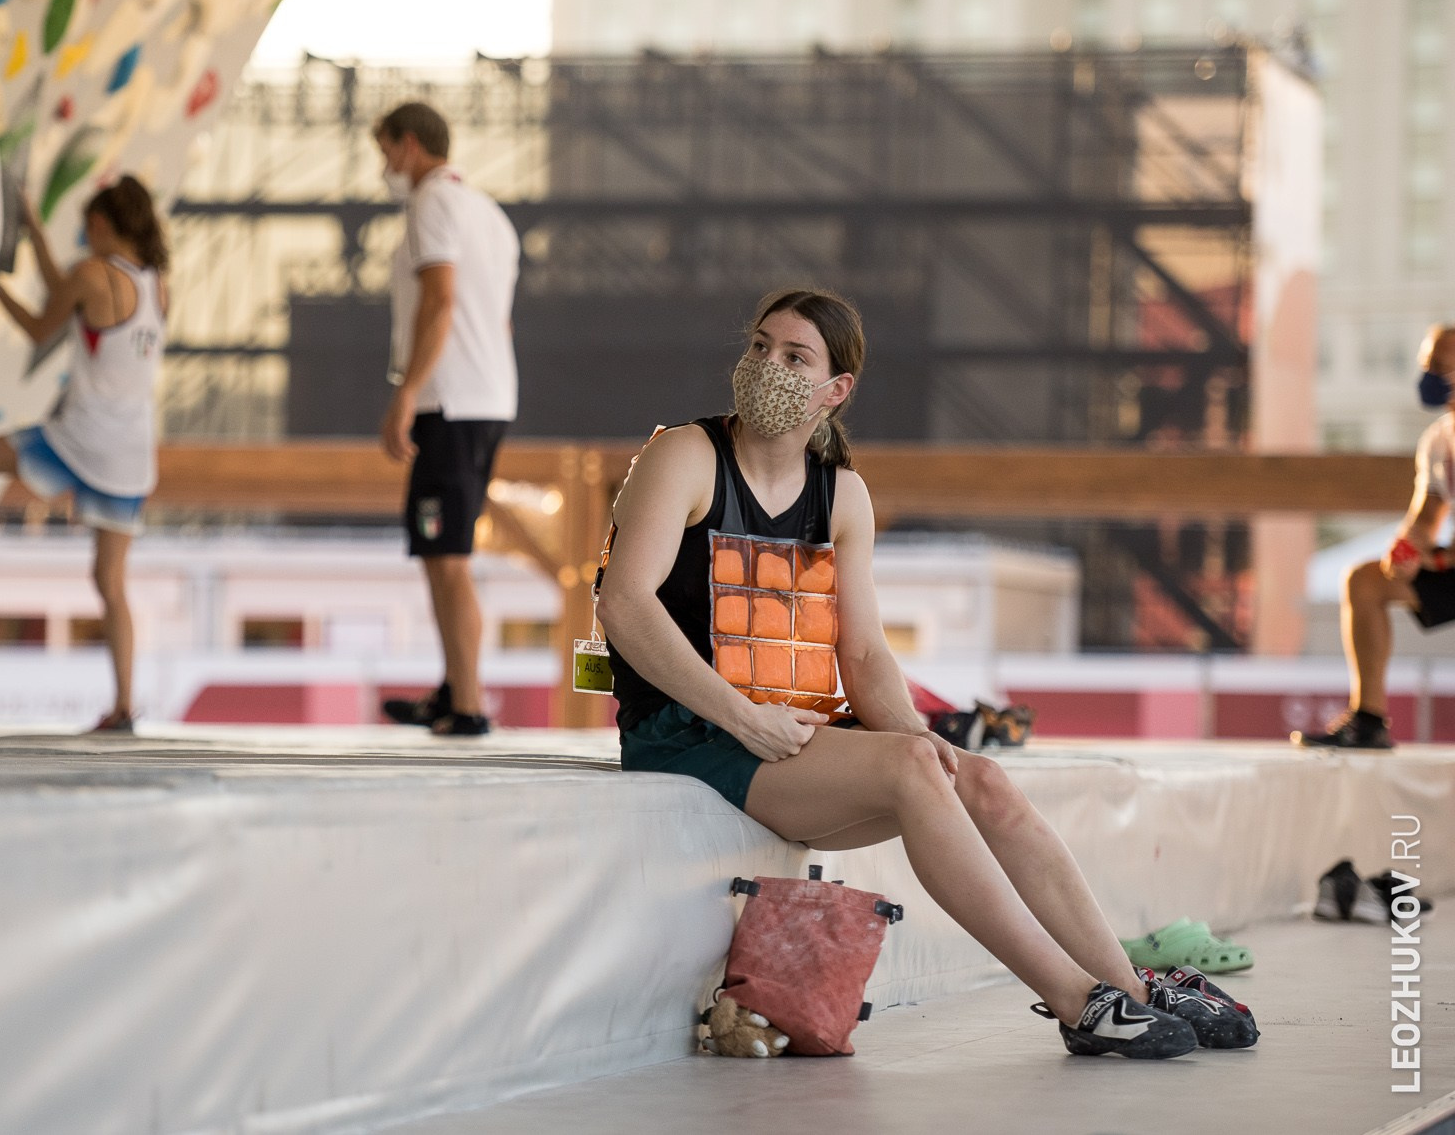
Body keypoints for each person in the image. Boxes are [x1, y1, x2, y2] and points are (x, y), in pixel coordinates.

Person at [597, 287, 1259, 1060]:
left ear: (835, 389)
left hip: (790, 731)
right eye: (760, 346)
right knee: (916, 767)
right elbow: (625, 603)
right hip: (690, 730)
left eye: (795, 356)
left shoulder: (841, 494)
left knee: (979, 779)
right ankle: (1076, 1000)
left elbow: (864, 655)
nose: (767, 364)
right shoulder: (687, 455)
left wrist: (919, 736)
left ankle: (1131, 986)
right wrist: (745, 716)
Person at [0, 178, 168, 734]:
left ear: (101, 224)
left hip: (78, 439)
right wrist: (35, 229)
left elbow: (41, 327)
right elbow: (67, 291)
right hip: (131, 454)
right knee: (111, 583)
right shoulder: (158, 285)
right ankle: (124, 706)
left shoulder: (92, 274)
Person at [370, 102, 520, 737]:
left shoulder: (431, 201)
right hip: (488, 398)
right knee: (443, 550)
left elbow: (440, 301)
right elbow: (496, 319)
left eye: (385, 151)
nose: (384, 166)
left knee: (448, 554)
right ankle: (455, 688)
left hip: (450, 402)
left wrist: (406, 393)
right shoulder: (491, 214)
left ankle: (470, 705)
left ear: (409, 144)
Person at [1300, 323, 1455, 749]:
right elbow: (1426, 516)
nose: (1429, 374)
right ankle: (1367, 721)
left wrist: (1436, 559)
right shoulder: (1440, 441)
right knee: (1365, 581)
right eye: (1426, 364)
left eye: (1439, 364)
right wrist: (1404, 549)